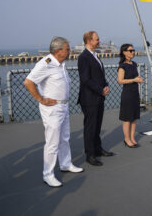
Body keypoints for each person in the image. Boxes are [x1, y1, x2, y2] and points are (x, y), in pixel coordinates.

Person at [24, 37, 83, 188]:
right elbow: (28, 82)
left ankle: (65, 163)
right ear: (58, 51)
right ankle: (48, 174)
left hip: (63, 106)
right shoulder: (45, 64)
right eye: (67, 49)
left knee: (64, 137)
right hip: (52, 109)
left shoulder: (60, 64)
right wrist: (41, 99)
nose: (70, 52)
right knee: (52, 142)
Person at [77, 31, 114, 167]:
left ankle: (98, 149)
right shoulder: (83, 57)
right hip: (89, 98)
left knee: (97, 125)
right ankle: (90, 154)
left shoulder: (95, 55)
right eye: (97, 39)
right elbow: (85, 79)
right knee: (90, 127)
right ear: (89, 41)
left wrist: (106, 85)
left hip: (98, 97)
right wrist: (100, 89)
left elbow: (99, 75)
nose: (99, 41)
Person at [117, 44, 143, 148]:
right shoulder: (122, 66)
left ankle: (132, 138)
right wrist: (134, 80)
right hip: (127, 94)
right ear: (124, 52)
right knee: (127, 118)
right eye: (130, 50)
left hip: (135, 93)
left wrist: (138, 78)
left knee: (134, 117)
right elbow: (120, 81)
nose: (132, 52)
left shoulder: (134, 64)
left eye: (133, 50)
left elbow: (134, 77)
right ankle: (126, 139)